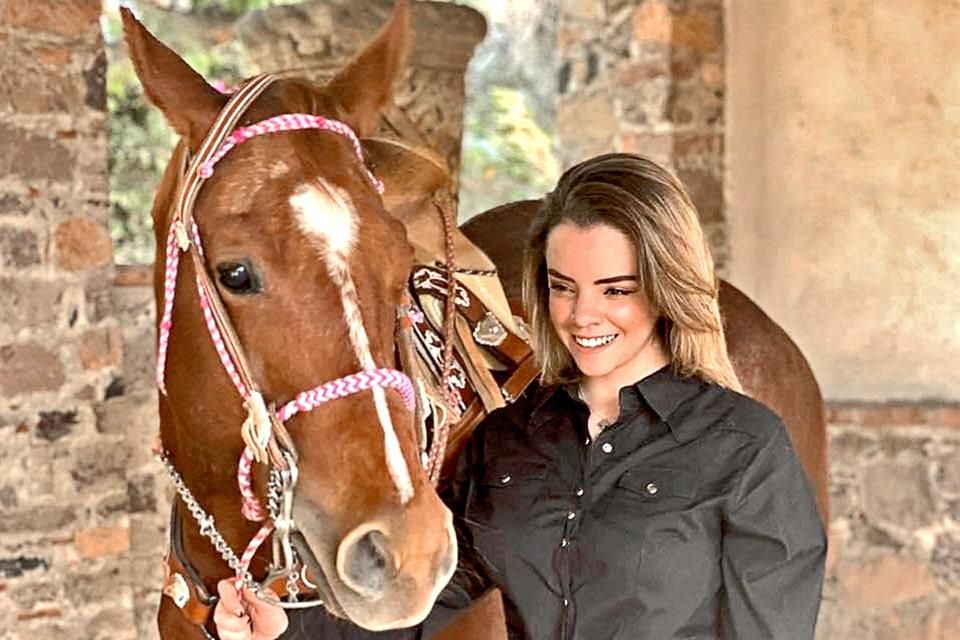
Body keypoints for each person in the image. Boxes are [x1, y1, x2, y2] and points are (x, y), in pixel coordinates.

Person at [215, 152, 827, 639]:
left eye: (615, 290)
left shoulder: (745, 447)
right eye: (564, 287)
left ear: (667, 287)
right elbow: (420, 606)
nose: (583, 316)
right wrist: (284, 630)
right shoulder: (511, 440)